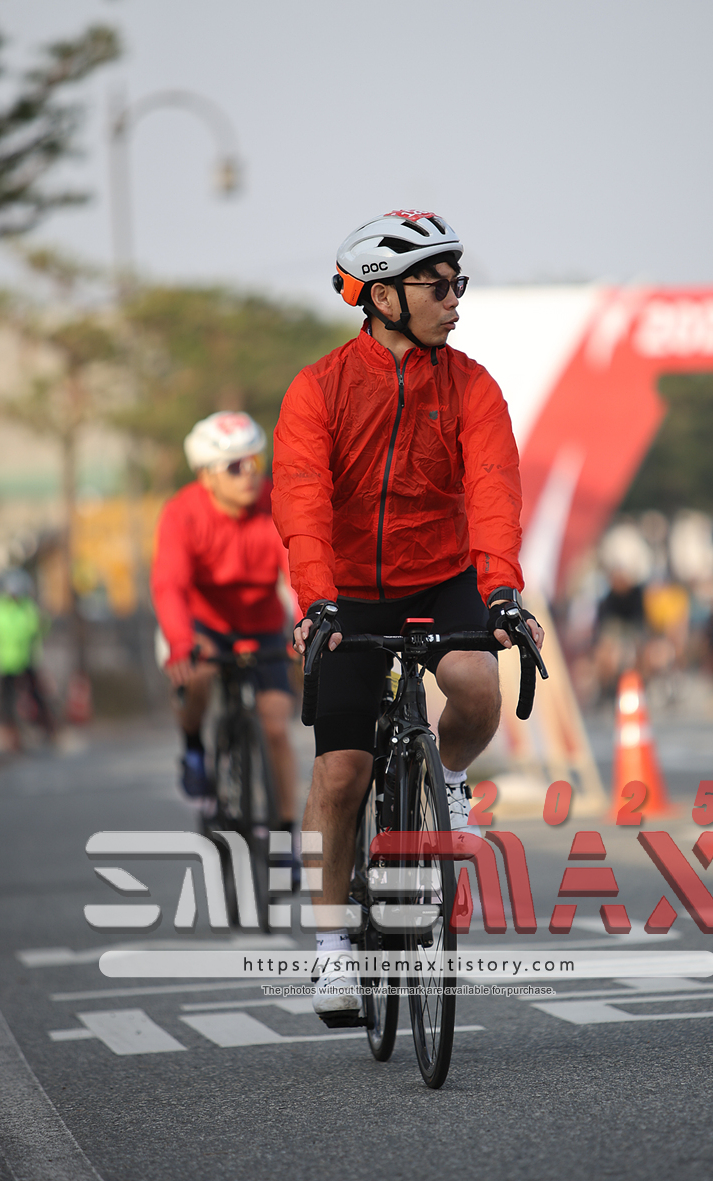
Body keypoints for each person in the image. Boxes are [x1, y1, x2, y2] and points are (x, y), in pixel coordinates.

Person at [271, 210, 545, 1018]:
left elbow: (493, 490)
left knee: (479, 689)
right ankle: (332, 949)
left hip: (441, 573)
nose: (455, 299)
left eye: (458, 283)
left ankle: (448, 782)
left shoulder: (471, 385)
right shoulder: (318, 388)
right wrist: (317, 601)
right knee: (342, 773)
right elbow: (302, 503)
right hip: (347, 587)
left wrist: (502, 591)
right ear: (383, 297)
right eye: (439, 285)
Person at [151, 412, 300, 856]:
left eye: (255, 461)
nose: (250, 474)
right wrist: (181, 642)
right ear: (206, 475)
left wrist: (305, 624)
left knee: (276, 725)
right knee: (195, 674)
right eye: (235, 467)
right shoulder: (182, 513)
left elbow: (298, 572)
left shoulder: (275, 504)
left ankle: (284, 838)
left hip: (262, 626)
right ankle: (194, 747)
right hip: (204, 625)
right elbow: (170, 585)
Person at [0, 569, 55, 750]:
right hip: (4, 661)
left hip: (25, 658)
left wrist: (42, 623)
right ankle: (11, 736)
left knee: (36, 694)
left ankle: (47, 728)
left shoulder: (27, 606)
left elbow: (39, 627)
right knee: (6, 701)